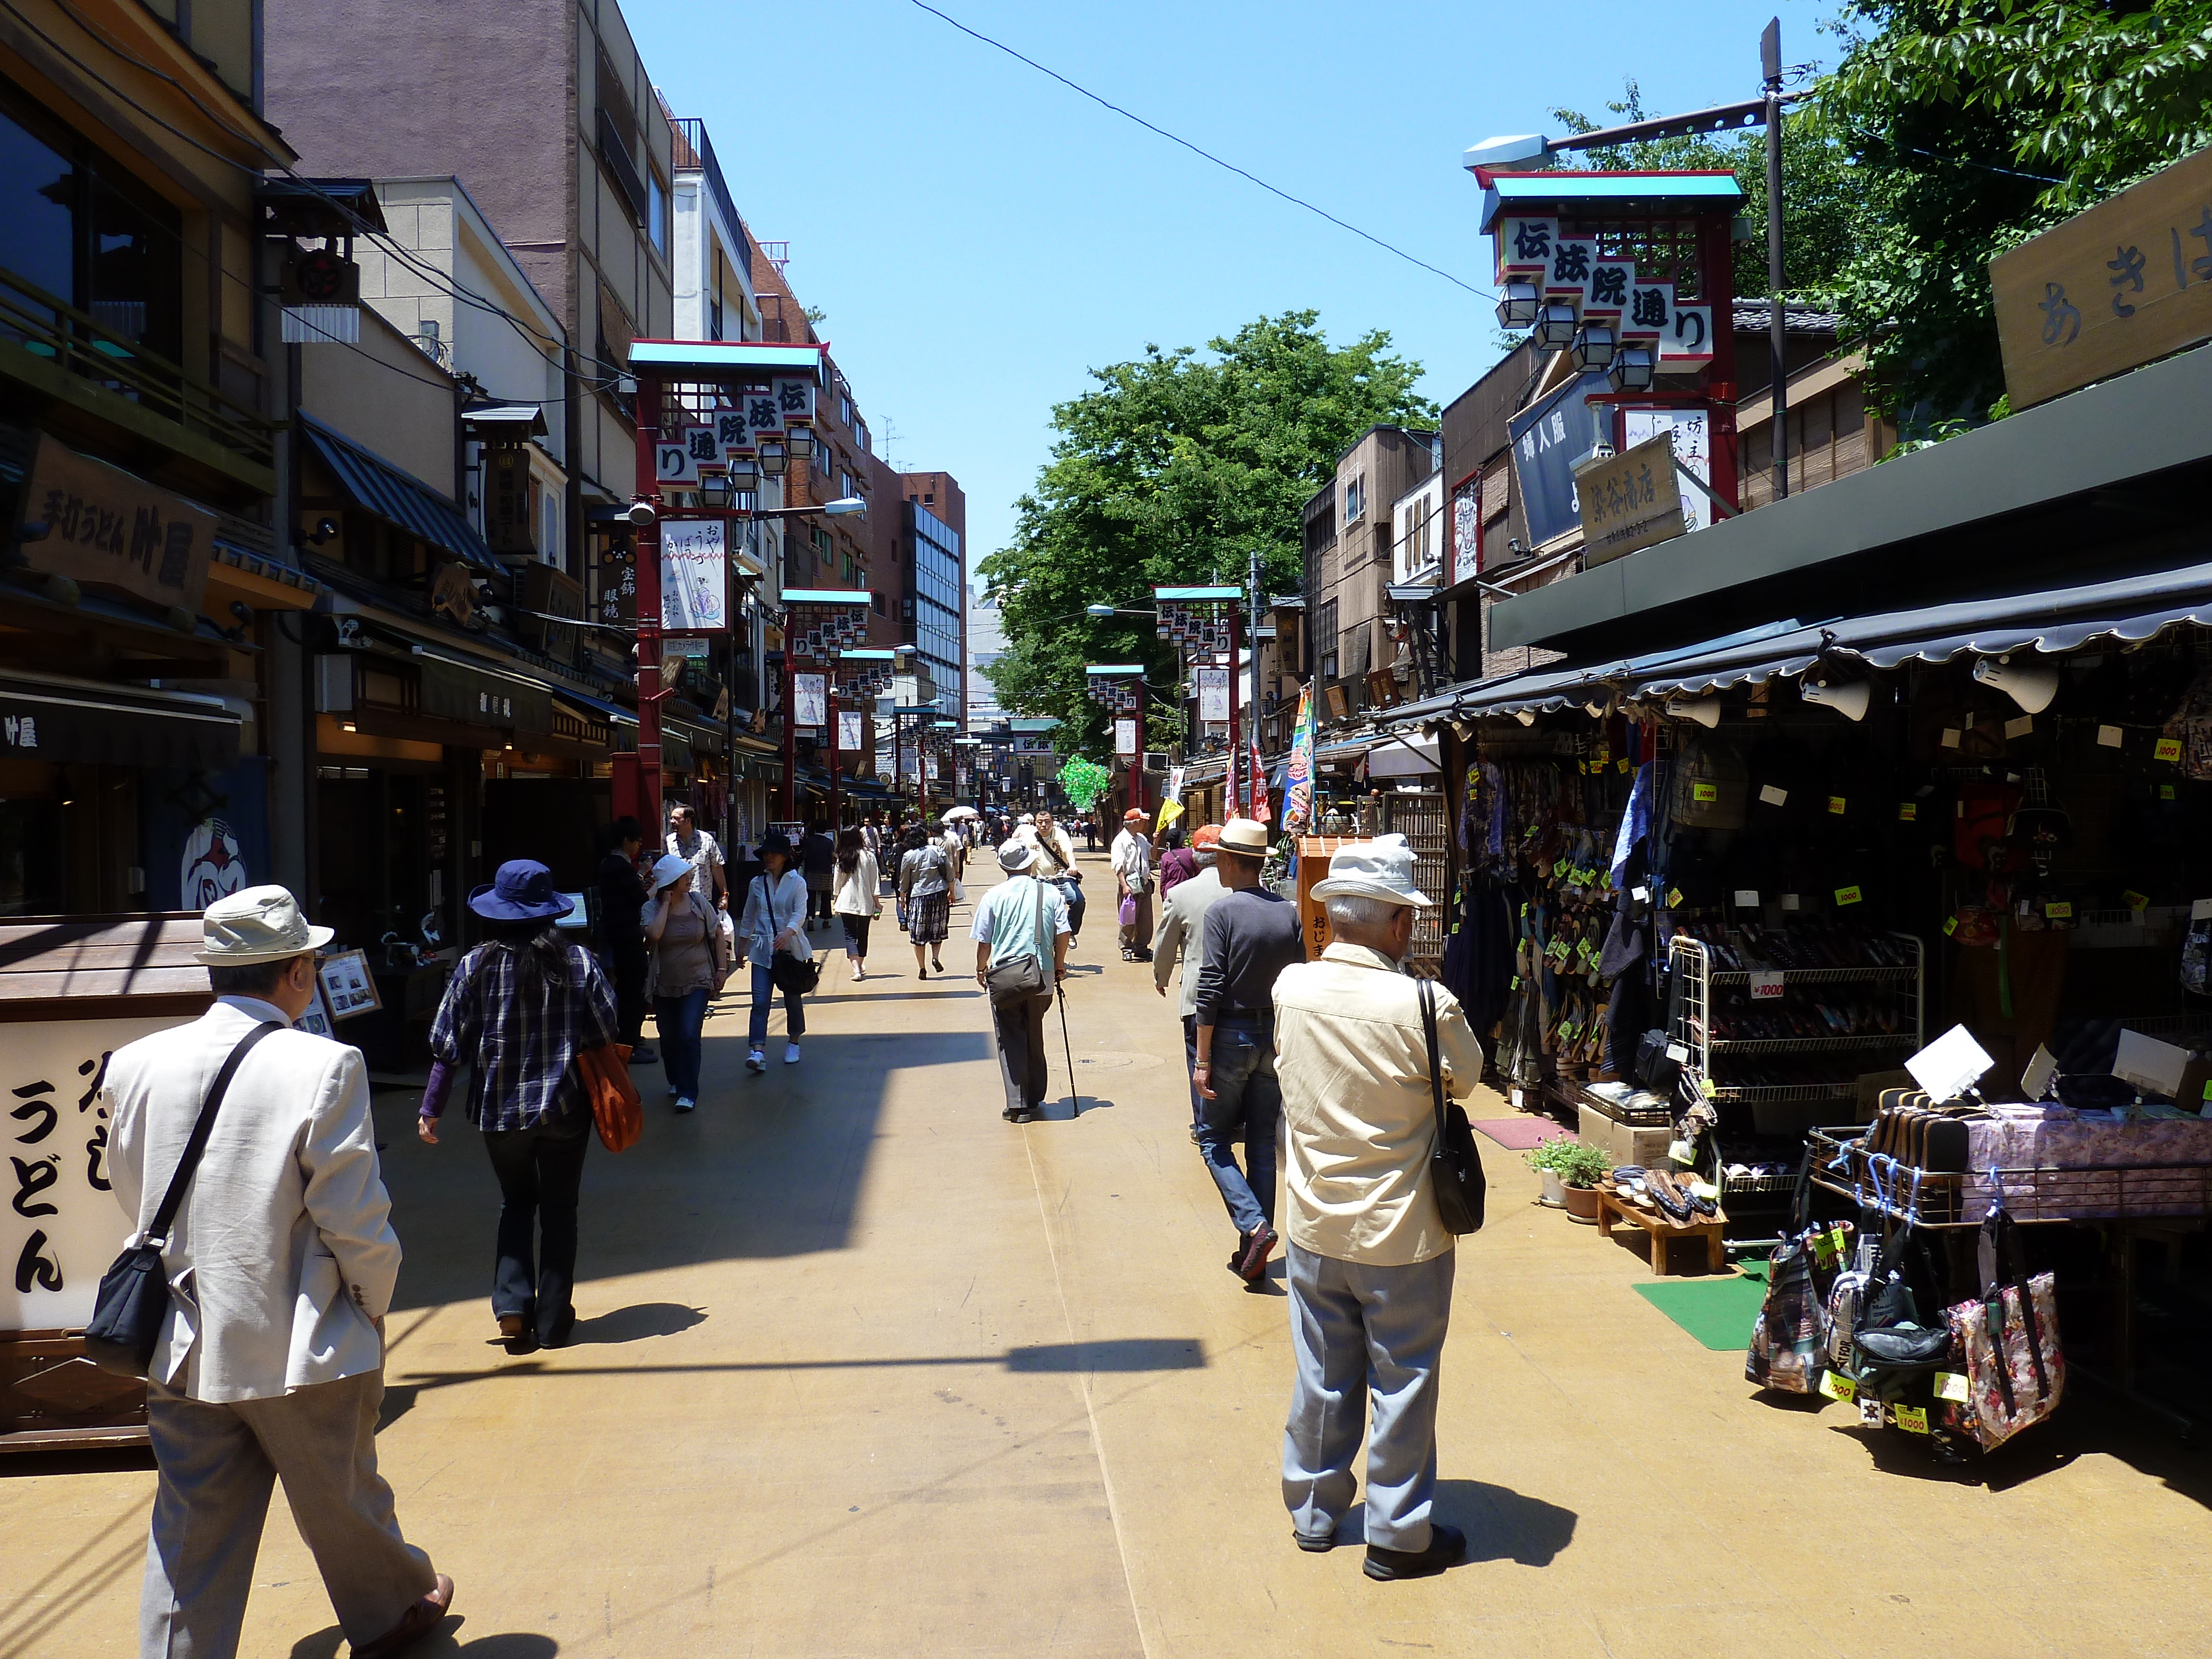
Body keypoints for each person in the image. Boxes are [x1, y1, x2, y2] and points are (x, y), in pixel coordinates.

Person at [106, 885, 452, 1659]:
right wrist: (370, 1302)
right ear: (297, 972)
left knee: (191, 1529)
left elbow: (133, 1196)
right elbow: (354, 1215)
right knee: (343, 1498)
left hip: (183, 1338)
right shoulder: (327, 1065)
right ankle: (394, 1611)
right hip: (303, 1337)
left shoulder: (133, 1066)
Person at [1272, 835, 1477, 1580]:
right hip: (1403, 1232)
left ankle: (1316, 1515)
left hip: (1315, 1222)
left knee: (1323, 1375)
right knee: (1405, 1376)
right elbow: (1470, 1078)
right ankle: (1397, 1535)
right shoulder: (1427, 1002)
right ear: (1398, 925)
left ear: (1335, 918)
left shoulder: (1290, 988)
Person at [421, 860, 616, 1355]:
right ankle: (552, 1320)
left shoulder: (475, 965)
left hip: (499, 1114)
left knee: (516, 1203)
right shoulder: (579, 962)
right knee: (559, 1208)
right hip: (565, 1108)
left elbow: (446, 1042)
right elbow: (606, 1028)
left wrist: (431, 1107)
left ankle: (512, 1308)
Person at [1191, 818, 1306, 1283]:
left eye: (1220, 858)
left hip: (1231, 1039)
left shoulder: (1222, 913)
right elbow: (1297, 980)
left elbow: (1211, 986)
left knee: (1213, 1139)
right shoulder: (1289, 912)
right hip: (1272, 1039)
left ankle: (1254, 1226)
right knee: (1260, 1142)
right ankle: (1253, 1251)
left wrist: (1201, 1059)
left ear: (1231, 861)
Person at [971, 838, 1072, 1123]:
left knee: (1010, 1037)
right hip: (1042, 975)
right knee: (1034, 1032)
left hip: (1006, 977)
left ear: (1003, 867)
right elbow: (1063, 932)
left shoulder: (993, 896)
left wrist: (981, 969)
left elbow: (984, 941)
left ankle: (1018, 1103)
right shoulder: (1049, 893)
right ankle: (1035, 1094)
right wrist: (1060, 963)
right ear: (1029, 864)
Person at [1150, 823, 1227, 1139]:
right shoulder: (1245, 891)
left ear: (1195, 857)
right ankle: (1234, 1118)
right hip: (1241, 993)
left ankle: (1206, 1124)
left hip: (1198, 994)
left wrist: (1161, 976)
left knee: (1199, 1057)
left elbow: (1165, 944)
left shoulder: (1180, 894)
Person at [641, 852, 726, 1112]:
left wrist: (722, 968)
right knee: (668, 1037)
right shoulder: (651, 908)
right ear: (670, 883)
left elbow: (718, 933)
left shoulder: (699, 902)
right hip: (663, 982)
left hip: (698, 979)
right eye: (683, 877)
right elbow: (654, 935)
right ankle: (677, 1081)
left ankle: (689, 1091)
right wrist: (666, 904)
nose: (689, 880)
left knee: (689, 1035)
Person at [738, 831, 811, 1071]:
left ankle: (794, 1041)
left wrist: (788, 932)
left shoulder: (797, 882)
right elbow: (749, 916)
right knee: (760, 1002)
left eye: (774, 853)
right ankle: (757, 1051)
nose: (769, 857)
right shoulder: (757, 883)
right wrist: (740, 948)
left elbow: (800, 913)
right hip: (761, 949)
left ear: (785, 857)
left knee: (792, 999)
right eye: (766, 853)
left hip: (790, 950)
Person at [592, 816, 655, 1062]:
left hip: (621, 936)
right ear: (626, 840)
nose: (639, 846)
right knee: (634, 989)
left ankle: (630, 1039)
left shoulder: (611, 865)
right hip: (626, 937)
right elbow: (639, 898)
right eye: (637, 841)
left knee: (629, 987)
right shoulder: (618, 865)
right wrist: (656, 888)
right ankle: (628, 1043)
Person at [898, 825, 953, 978]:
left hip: (918, 896)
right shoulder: (937, 851)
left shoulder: (908, 855)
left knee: (918, 934)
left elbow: (904, 880)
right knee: (937, 929)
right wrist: (952, 893)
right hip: (938, 893)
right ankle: (935, 958)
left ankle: (922, 968)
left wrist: (902, 898)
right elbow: (949, 874)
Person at [1022, 808, 1085, 943]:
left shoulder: (1060, 834)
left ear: (1053, 822)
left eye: (1047, 822)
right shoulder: (1029, 838)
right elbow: (1025, 858)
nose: (1044, 825)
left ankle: (1070, 932)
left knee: (1077, 900)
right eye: (1040, 822)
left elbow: (1068, 851)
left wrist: (1073, 866)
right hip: (1040, 880)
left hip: (1062, 877)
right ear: (1035, 823)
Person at [833, 826, 881, 979]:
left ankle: (856, 970)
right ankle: (859, 965)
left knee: (850, 935)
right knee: (863, 934)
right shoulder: (869, 856)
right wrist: (877, 902)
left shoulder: (843, 856)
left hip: (846, 900)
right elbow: (875, 881)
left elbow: (838, 881)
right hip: (865, 901)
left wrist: (835, 899)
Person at [1111, 807, 1156, 961]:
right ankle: (1126, 947)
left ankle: (1141, 948)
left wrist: (1156, 841)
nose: (1145, 824)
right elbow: (1118, 865)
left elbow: (1152, 855)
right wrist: (1124, 885)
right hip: (1130, 885)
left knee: (1146, 920)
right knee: (1129, 919)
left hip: (1144, 884)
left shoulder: (1142, 839)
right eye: (1142, 822)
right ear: (1135, 823)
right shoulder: (1121, 841)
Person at [666, 803, 728, 910]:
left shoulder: (706, 840)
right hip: (676, 902)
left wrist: (724, 894)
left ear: (688, 821)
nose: (672, 822)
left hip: (702, 902)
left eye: (676, 819)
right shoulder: (668, 842)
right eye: (671, 818)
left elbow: (717, 867)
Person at [801, 821, 837, 928]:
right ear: (826, 830)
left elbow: (804, 855)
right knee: (826, 896)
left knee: (810, 896)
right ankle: (826, 920)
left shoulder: (809, 841)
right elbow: (832, 858)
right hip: (825, 872)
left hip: (811, 871)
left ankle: (810, 919)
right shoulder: (829, 842)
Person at [1156, 822, 1197, 898]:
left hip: (1171, 892)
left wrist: (1164, 897)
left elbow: (1163, 880)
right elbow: (1197, 872)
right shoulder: (1190, 852)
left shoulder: (1165, 857)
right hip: (1187, 890)